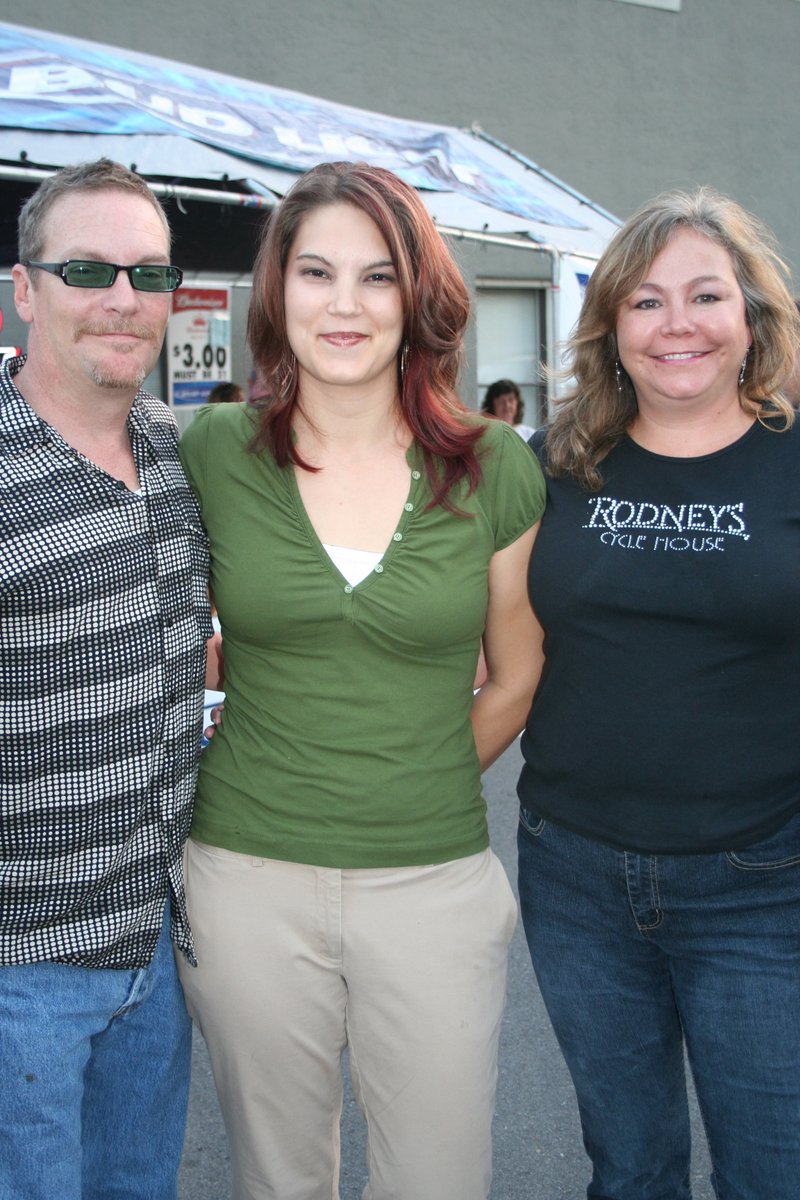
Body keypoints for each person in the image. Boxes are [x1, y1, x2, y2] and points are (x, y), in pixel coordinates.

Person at [178, 160, 545, 1200]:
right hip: (246, 881)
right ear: (276, 292)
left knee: (437, 1180)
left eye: (376, 277)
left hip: (432, 884)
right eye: (315, 273)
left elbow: (516, 674)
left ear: (416, 297)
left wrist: (412, 776)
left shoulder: (491, 465)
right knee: (276, 1182)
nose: (342, 305)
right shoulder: (213, 450)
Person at [516, 187, 800, 1200]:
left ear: (751, 319)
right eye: (643, 301)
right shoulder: (550, 466)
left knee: (771, 1173)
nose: (674, 324)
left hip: (761, 882)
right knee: (628, 1169)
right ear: (609, 328)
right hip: (574, 875)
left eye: (704, 296)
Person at [0, 159, 212, 1200]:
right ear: (26, 289)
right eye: (88, 269)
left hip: (153, 961)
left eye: (149, 273)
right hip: (18, 978)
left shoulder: (174, 460)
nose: (124, 299)